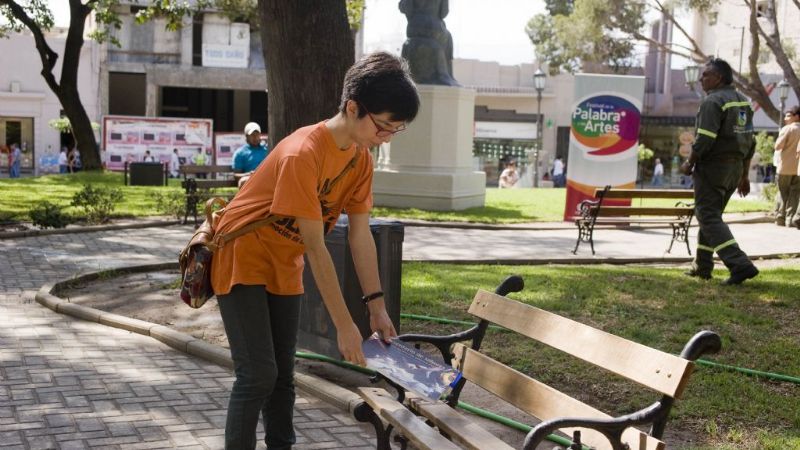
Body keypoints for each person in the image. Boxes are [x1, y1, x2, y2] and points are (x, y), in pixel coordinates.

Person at [209, 52, 419, 449]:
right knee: (257, 374)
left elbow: (360, 237)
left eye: (396, 130)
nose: (387, 137)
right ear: (353, 107)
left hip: (284, 263)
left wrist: (376, 306)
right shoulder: (302, 153)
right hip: (242, 255)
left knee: (282, 375)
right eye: (383, 127)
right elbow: (317, 246)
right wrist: (345, 325)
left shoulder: (360, 161)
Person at [679, 58, 759, 285]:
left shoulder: (713, 101)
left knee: (707, 216)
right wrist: (743, 175)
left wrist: (689, 163)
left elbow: (705, 139)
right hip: (734, 170)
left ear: (719, 78)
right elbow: (750, 143)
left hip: (713, 168)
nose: (702, 78)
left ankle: (740, 264)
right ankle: (702, 266)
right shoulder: (743, 102)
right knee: (711, 216)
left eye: (706, 75)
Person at [774, 106, 800, 227]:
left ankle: (780, 217)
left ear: (796, 116)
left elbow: (778, 146)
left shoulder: (788, 129)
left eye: (788, 115)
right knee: (795, 194)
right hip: (798, 168)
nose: (785, 118)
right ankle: (790, 219)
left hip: (784, 167)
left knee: (782, 192)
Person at [232, 122, 269, 188]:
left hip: (266, 177)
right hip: (250, 179)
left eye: (257, 134)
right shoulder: (240, 153)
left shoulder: (267, 149)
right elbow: (236, 175)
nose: (255, 137)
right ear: (247, 137)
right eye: (252, 135)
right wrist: (248, 174)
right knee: (243, 181)